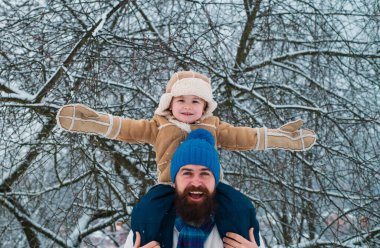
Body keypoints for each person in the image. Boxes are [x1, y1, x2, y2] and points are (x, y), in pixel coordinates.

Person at [56, 70, 316, 245]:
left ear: (205, 107)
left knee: (240, 206)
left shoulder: (214, 126)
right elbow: (126, 129)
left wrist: (282, 137)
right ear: (170, 103)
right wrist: (94, 122)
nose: (188, 106)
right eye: (182, 100)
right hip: (168, 186)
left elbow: (245, 137)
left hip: (214, 187)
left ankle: (235, 241)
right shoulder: (158, 126)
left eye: (196, 101)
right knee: (147, 210)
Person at [124, 128, 262, 248]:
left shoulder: (240, 223)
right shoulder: (149, 221)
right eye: (187, 173)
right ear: (174, 182)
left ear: (216, 182)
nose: (196, 182)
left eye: (205, 173)